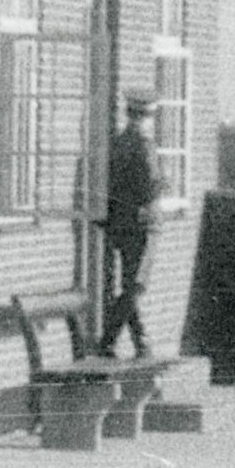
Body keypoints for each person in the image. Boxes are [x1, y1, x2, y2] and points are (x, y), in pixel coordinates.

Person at [98, 93, 159, 359]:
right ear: (149, 116)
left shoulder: (118, 143)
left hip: (120, 224)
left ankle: (141, 341)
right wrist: (163, 185)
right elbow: (149, 188)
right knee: (136, 286)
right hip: (143, 224)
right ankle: (107, 341)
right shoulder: (145, 146)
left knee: (129, 285)